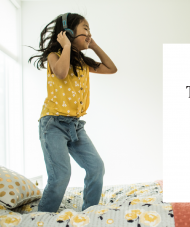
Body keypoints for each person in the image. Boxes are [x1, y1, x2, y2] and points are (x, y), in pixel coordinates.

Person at [27, 13, 117, 212]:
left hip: (75, 125)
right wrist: (66, 46)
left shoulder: (84, 62)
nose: (88, 33)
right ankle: (43, 217)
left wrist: (93, 46)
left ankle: (90, 212)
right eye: (85, 28)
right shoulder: (54, 55)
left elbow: (111, 69)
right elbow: (61, 72)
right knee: (60, 175)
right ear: (67, 32)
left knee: (96, 167)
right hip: (53, 124)